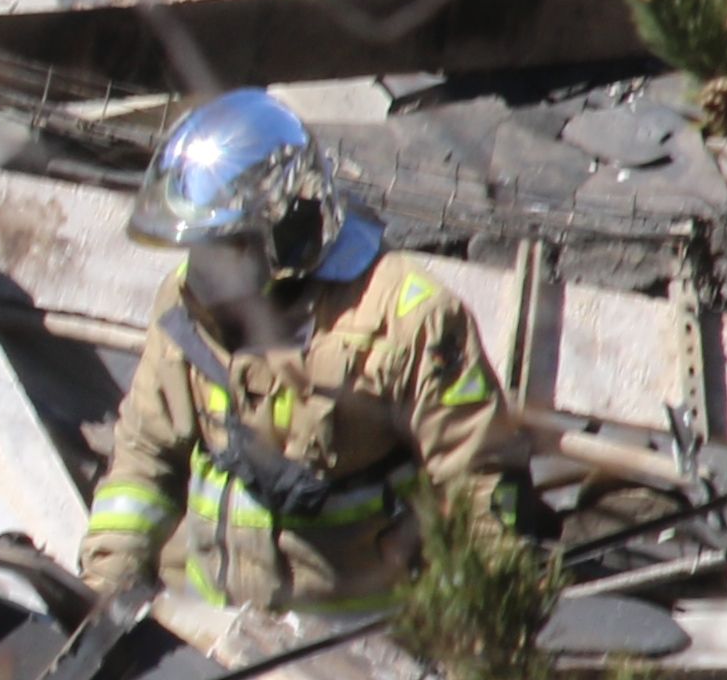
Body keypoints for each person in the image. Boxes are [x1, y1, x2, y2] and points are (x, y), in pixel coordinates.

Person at [76, 88, 508, 623]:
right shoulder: (186, 309)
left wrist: (478, 636)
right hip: (218, 639)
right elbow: (145, 459)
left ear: (290, 232)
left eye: (224, 249)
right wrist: (103, 595)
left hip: (370, 645)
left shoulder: (409, 320)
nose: (200, 274)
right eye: (196, 250)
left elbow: (480, 487)